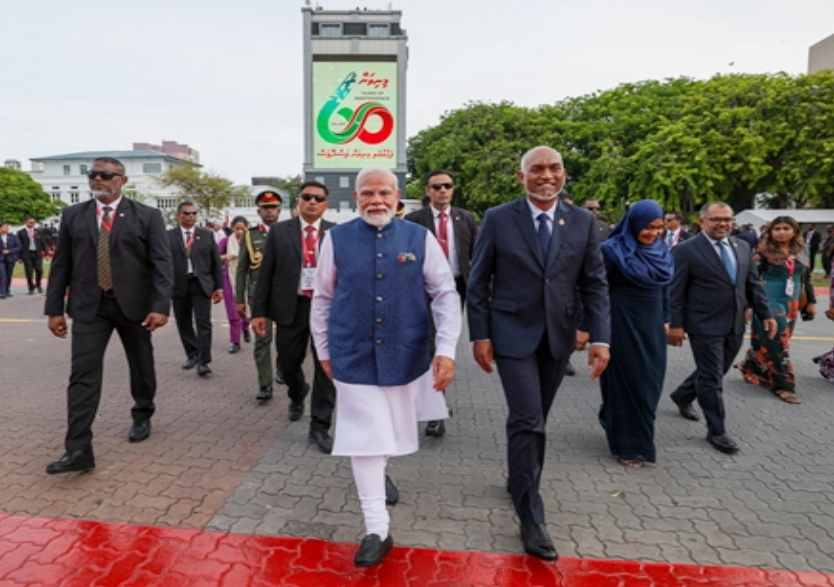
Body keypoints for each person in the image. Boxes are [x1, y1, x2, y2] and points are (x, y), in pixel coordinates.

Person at [310, 166, 461, 567]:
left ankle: (380, 483)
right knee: (365, 437)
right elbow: (322, 298)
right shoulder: (336, 239)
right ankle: (377, 528)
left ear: (398, 197)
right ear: (356, 198)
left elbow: (445, 294)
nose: (376, 200)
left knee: (388, 432)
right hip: (351, 353)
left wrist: (446, 349)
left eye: (384, 193)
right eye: (367, 193)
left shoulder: (419, 238)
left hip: (404, 354)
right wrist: (324, 350)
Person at [467, 146, 610, 561]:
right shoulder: (498, 218)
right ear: (522, 177)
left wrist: (600, 338)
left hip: (558, 337)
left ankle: (519, 477)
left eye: (554, 168)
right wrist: (480, 335)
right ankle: (531, 515)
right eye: (537, 170)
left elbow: (594, 283)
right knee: (529, 419)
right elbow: (478, 280)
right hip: (511, 334)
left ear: (563, 174)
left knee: (534, 420)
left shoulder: (582, 221)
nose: (546, 176)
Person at [44, 157, 173, 473]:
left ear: (123, 180)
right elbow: (61, 264)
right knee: (82, 374)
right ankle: (78, 449)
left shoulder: (148, 216)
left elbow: (162, 264)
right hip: (90, 308)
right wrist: (54, 309)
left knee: (141, 365)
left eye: (106, 174)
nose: (98, 179)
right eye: (93, 174)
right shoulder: (73, 215)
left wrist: (160, 306)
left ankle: (143, 412)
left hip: (134, 307)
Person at [668, 202, 776, 455]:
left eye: (727, 219)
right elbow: (675, 291)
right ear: (702, 222)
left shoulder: (742, 247)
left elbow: (752, 284)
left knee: (717, 370)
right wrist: (676, 324)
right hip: (703, 324)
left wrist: (766, 314)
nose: (723, 224)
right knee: (712, 378)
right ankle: (717, 430)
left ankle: (683, 394)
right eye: (716, 219)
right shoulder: (686, 250)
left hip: (735, 322)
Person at [252, 181, 337, 453]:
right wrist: (259, 312)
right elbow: (265, 273)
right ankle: (298, 392)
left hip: (326, 310)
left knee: (326, 368)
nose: (312, 202)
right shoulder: (280, 232)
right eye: (307, 197)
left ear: (326, 205)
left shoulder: (336, 233)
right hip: (291, 308)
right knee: (287, 363)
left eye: (318, 199)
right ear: (298, 201)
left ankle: (320, 426)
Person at [589, 201, 673, 468]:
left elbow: (665, 287)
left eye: (659, 228)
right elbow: (597, 290)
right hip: (621, 321)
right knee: (630, 382)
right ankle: (632, 446)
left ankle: (612, 416)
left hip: (652, 324)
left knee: (651, 382)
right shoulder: (611, 250)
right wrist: (591, 327)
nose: (654, 233)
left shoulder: (662, 250)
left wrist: (667, 318)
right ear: (633, 224)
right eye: (648, 227)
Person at [405, 169, 478, 437]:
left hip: (456, 288)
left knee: (444, 344)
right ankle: (431, 406)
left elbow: (477, 254)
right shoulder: (414, 220)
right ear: (428, 191)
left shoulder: (466, 218)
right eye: (436, 187)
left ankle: (435, 405)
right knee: (427, 345)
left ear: (453, 189)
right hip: (422, 289)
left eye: (447, 185)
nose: (442, 190)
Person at [738, 217, 815, 404]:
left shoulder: (803, 250)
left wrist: (811, 302)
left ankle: (752, 363)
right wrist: (747, 305)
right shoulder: (763, 251)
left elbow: (806, 278)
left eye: (786, 228)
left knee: (775, 339)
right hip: (768, 299)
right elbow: (750, 279)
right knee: (778, 341)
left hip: (792, 300)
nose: (781, 232)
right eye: (777, 228)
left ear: (794, 231)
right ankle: (784, 386)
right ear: (770, 231)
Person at [236, 191, 286, 400]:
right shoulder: (250, 235)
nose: (269, 211)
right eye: (265, 208)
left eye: (273, 207)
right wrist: (239, 299)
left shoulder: (288, 232)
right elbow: (242, 268)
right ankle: (265, 384)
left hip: (284, 294)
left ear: (279, 210)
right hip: (259, 294)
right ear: (259, 211)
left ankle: (283, 369)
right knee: (262, 340)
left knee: (286, 339)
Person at [167, 202, 224, 376]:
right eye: (186, 213)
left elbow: (215, 262)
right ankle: (192, 354)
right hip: (179, 284)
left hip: (200, 284)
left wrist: (219, 287)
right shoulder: (168, 236)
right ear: (179, 215)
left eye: (193, 213)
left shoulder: (206, 235)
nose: (191, 216)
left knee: (203, 322)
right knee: (183, 323)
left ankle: (204, 361)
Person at [219, 216, 251, 353]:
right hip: (229, 278)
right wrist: (225, 257)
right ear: (232, 228)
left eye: (242, 229)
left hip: (247, 278)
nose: (239, 232)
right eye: (237, 228)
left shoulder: (251, 241)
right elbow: (215, 258)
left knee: (246, 307)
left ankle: (245, 327)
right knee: (232, 311)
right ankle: (235, 341)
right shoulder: (225, 242)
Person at [17, 217, 46, 294]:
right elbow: (19, 245)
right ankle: (31, 287)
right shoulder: (21, 232)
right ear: (25, 222)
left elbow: (43, 242)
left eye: (33, 222)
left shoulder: (38, 231)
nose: (32, 224)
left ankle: (38, 284)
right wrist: (19, 257)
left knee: (39, 270)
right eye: (30, 222)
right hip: (27, 253)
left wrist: (45, 252)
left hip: (37, 253)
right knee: (29, 271)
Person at [0, 222, 22, 299]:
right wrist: (2, 251)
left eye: (7, 227)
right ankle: (2, 292)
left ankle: (7, 290)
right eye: (4, 227)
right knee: (2, 275)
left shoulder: (13, 237)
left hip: (10, 258)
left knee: (8, 275)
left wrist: (10, 251)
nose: (6, 229)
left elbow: (19, 246)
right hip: (1, 258)